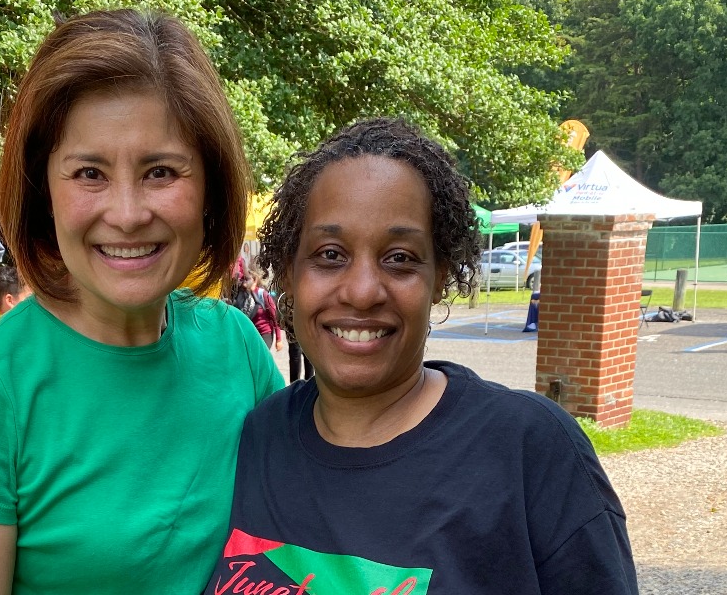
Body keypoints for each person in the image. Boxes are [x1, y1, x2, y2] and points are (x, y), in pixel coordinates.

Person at [0, 9, 285, 593]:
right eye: (89, 173)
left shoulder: (236, 345)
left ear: (210, 187)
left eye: (161, 171)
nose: (128, 213)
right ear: (42, 191)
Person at [204, 118, 637, 593]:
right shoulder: (261, 438)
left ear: (440, 276)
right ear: (288, 273)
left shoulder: (527, 450)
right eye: (330, 254)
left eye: (400, 258)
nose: (363, 290)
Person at [248, 268, 282, 350]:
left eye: (248, 279)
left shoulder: (262, 294)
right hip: (251, 334)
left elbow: (274, 316)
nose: (245, 282)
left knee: (262, 358)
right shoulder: (243, 297)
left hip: (265, 333)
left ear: (255, 280)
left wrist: (279, 338)